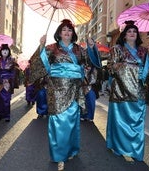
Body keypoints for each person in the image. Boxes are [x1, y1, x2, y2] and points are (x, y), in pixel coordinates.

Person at [28, 19, 101, 170]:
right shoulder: (51, 48)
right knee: (57, 120)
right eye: (64, 30)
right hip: (56, 88)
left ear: (73, 33)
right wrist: (41, 46)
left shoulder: (79, 50)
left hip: (74, 88)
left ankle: (71, 149)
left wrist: (92, 48)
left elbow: (89, 64)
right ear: (59, 33)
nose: (67, 33)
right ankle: (58, 153)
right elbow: (38, 63)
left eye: (70, 30)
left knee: (72, 120)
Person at [106, 20, 149, 161]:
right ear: (124, 35)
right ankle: (119, 147)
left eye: (134, 31)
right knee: (120, 122)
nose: (132, 33)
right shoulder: (117, 49)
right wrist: (133, 68)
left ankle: (135, 150)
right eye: (129, 31)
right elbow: (111, 67)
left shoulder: (143, 51)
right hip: (120, 91)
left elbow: (148, 72)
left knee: (137, 123)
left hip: (138, 91)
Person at [0, 44, 16, 122]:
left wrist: (10, 79)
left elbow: (13, 72)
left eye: (6, 50)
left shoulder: (12, 60)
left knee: (6, 99)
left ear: (9, 51)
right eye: (3, 50)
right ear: (0, 52)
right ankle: (0, 115)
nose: (5, 52)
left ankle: (7, 116)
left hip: (7, 82)